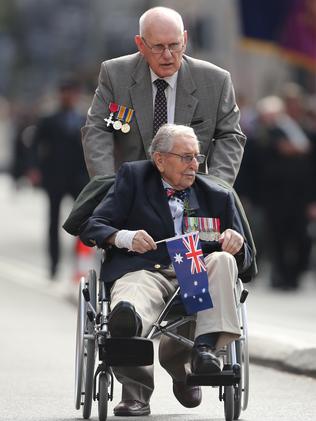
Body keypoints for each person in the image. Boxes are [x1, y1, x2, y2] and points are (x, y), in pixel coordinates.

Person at [80, 124, 253, 416]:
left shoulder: (216, 195)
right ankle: (133, 370)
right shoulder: (134, 178)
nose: (194, 165)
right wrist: (126, 237)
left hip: (194, 269)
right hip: (144, 266)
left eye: (197, 157)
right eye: (185, 157)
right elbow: (93, 227)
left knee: (223, 260)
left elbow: (246, 264)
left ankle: (204, 352)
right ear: (159, 160)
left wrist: (237, 244)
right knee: (131, 297)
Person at [81, 6, 245, 186]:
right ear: (141, 45)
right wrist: (107, 186)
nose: (167, 55)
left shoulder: (216, 81)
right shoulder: (115, 75)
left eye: (174, 45)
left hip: (191, 192)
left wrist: (215, 188)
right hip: (131, 191)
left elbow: (230, 136)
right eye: (158, 47)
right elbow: (97, 130)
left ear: (184, 39)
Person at [28, 78, 89, 278]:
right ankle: (53, 264)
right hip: (54, 177)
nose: (69, 97)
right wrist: (34, 168)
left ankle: (79, 262)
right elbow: (34, 145)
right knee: (53, 221)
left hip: (78, 177)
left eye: (72, 93)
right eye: (66, 92)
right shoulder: (48, 120)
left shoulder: (84, 119)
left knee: (83, 219)